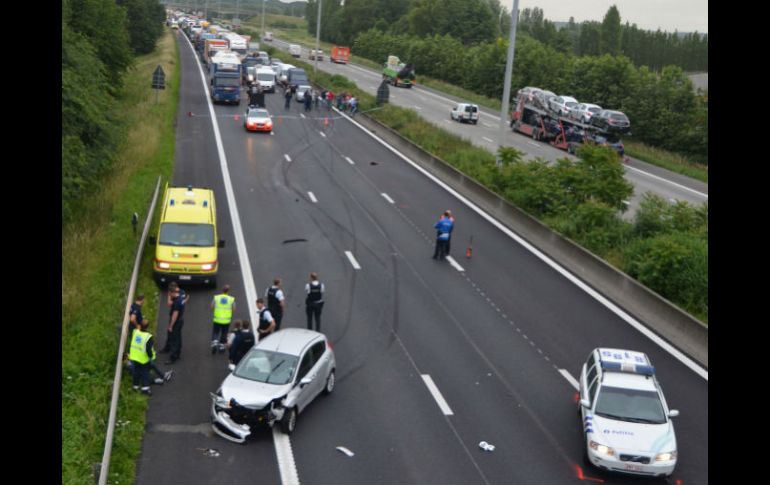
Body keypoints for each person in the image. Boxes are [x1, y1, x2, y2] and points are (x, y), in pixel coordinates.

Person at [128, 294, 172, 383]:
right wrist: (137, 326)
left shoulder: (133, 305)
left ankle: (162, 376)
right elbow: (132, 319)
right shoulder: (137, 310)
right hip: (139, 356)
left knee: (147, 366)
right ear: (142, 300)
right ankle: (156, 379)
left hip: (135, 354)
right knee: (147, 366)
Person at [128, 318, 156, 396]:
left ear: (140, 326)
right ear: (147, 327)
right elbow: (148, 350)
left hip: (134, 357)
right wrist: (150, 357)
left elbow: (133, 329)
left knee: (136, 372)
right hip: (143, 359)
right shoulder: (148, 337)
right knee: (145, 374)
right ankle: (145, 389)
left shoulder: (135, 332)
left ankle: (135, 387)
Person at [211, 284, 236, 354]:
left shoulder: (216, 297)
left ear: (222, 290)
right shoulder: (231, 299)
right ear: (228, 291)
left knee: (216, 332)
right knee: (224, 333)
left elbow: (212, 306)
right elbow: (234, 308)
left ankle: (215, 343)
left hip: (217, 319)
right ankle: (221, 347)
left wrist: (215, 311)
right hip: (226, 320)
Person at [165, 285, 187, 365]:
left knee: (174, 339)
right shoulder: (180, 298)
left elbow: (175, 314)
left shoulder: (176, 302)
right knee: (178, 337)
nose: (169, 295)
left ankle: (173, 357)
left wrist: (171, 325)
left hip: (176, 322)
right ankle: (178, 353)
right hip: (180, 320)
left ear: (172, 292)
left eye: (169, 294)